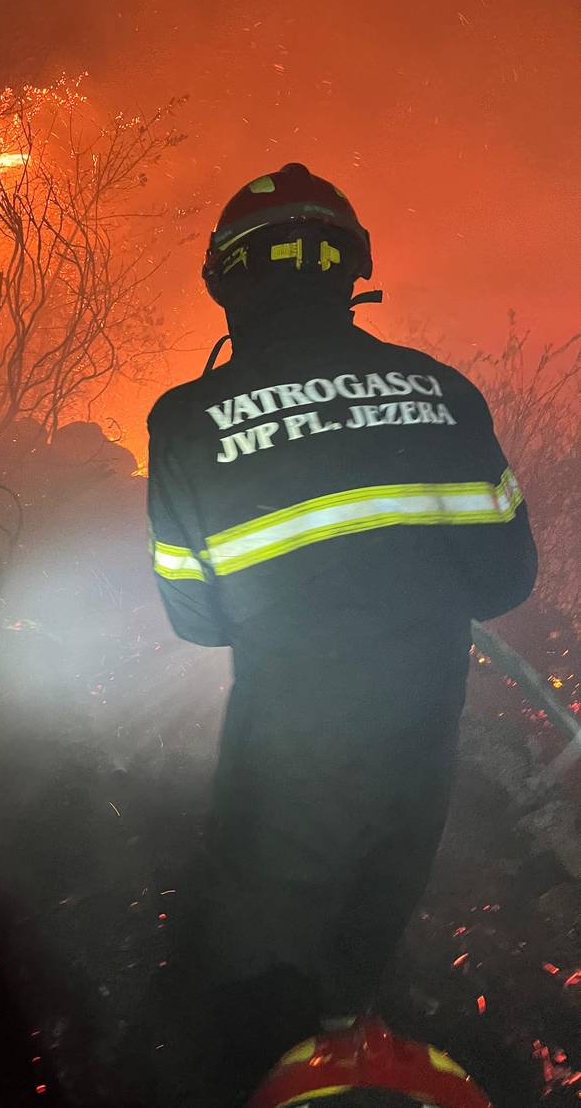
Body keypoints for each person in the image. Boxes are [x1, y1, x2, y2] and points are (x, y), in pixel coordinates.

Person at [145, 162, 537, 1104]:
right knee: (375, 904)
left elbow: (195, 618)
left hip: (284, 745)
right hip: (421, 732)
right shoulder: (442, 390)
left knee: (249, 948)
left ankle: (260, 1063)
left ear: (227, 280)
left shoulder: (187, 421)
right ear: (349, 269)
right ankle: (346, 1036)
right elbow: (505, 580)